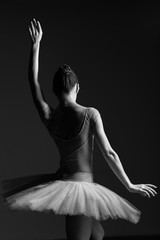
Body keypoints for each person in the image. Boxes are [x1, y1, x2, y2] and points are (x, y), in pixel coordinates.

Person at [1, 19, 157, 240]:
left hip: (67, 183)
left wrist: (36, 46)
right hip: (79, 187)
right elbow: (109, 153)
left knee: (98, 233)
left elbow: (33, 83)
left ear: (54, 90)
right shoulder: (91, 113)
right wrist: (129, 185)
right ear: (77, 87)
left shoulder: (49, 116)